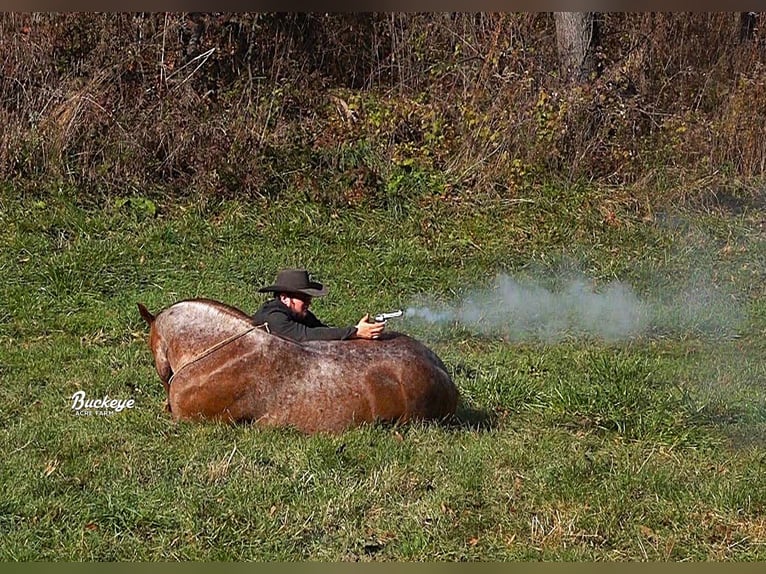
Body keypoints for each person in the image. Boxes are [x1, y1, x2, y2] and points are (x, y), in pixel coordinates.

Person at [252, 268, 385, 342]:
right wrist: (355, 332)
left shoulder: (300, 314)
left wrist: (357, 330)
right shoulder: (274, 317)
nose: (309, 303)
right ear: (285, 298)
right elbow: (306, 335)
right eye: (304, 299)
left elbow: (322, 330)